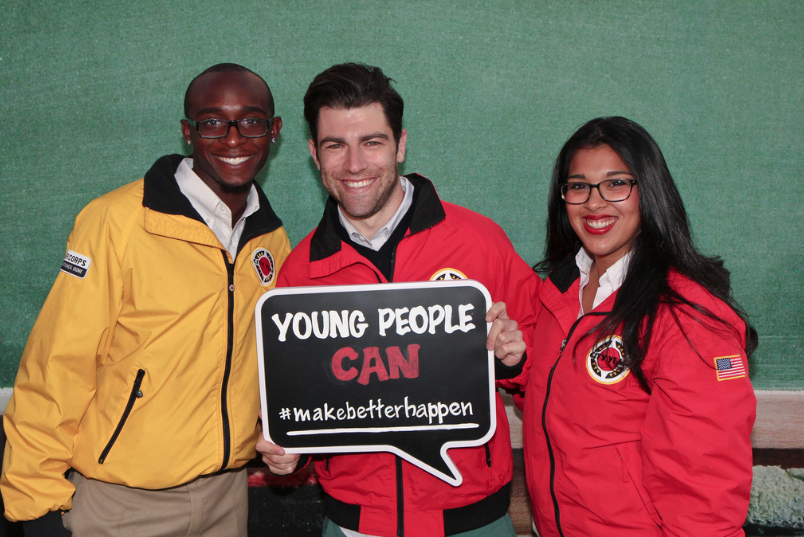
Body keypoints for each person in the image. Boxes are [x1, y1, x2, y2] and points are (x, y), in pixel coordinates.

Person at [1, 63, 290, 537]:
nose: (233, 138)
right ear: (187, 132)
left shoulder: (272, 240)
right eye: (213, 122)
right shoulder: (114, 222)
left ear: (273, 131)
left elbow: (264, 365)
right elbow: (56, 366)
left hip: (228, 498)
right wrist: (34, 504)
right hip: (122, 505)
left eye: (252, 121)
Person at [257, 63, 541, 537]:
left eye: (372, 142)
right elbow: (298, 411)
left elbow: (546, 369)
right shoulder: (300, 271)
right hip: (355, 524)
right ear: (313, 153)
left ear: (401, 144)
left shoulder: (479, 242)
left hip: (474, 519)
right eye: (335, 145)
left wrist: (515, 357)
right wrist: (289, 452)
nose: (354, 165)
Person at [520, 116, 757, 536]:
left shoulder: (687, 316)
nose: (594, 203)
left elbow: (706, 488)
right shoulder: (559, 291)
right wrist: (511, 366)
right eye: (578, 186)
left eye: (616, 184)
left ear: (648, 191)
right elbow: (564, 404)